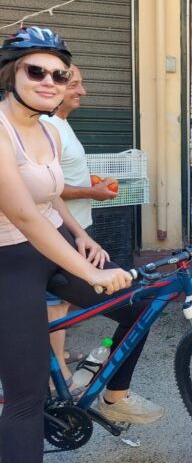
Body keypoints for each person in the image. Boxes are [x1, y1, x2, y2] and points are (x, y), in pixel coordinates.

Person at [0, 27, 162, 463]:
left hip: (52, 243)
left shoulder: (49, 131)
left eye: (59, 73)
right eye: (37, 71)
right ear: (11, 74)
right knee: (25, 398)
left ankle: (115, 395)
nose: (49, 81)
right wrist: (90, 272)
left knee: (139, 306)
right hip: (9, 260)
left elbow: (49, 195)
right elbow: (24, 215)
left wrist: (82, 235)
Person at [41, 65, 119, 393]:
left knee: (59, 304)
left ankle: (57, 356)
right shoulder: (47, 126)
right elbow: (48, 189)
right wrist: (92, 192)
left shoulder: (61, 124)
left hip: (74, 228)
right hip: (56, 232)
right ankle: (56, 374)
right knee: (54, 305)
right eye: (75, 85)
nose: (82, 91)